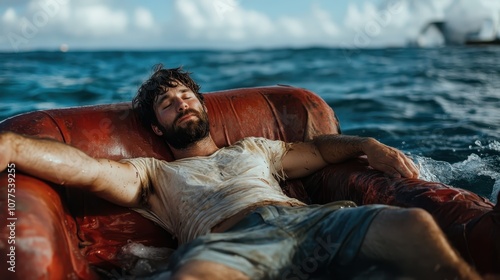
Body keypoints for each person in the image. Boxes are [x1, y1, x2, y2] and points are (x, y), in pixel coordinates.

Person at [0, 65, 481, 280]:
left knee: (413, 225)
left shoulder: (256, 148)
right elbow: (83, 169)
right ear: (155, 125)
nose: (180, 102)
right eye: (167, 103)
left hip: (309, 221)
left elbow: (316, 151)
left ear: (203, 105)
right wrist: (11, 145)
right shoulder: (150, 174)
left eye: (186, 95)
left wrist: (371, 146)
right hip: (231, 244)